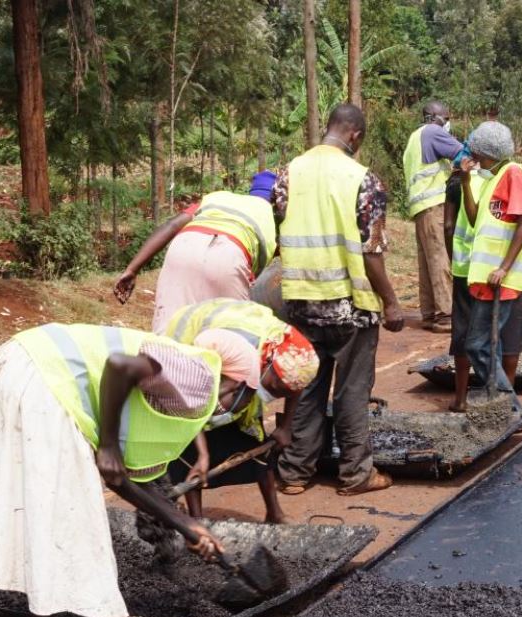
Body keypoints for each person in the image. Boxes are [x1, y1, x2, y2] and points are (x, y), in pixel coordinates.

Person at [0, 323, 241, 617]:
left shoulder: (151, 391)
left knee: (47, 510)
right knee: (75, 523)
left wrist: (186, 525)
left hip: (25, 367)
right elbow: (120, 365)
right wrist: (107, 444)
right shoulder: (196, 378)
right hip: (43, 378)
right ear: (233, 381)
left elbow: (118, 478)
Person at [273, 103, 405, 497]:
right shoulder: (363, 180)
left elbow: (278, 228)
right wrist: (392, 302)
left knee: (307, 387)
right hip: (350, 307)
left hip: (299, 301)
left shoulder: (289, 173)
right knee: (351, 390)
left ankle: (295, 472)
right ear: (355, 136)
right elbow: (371, 252)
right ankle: (355, 473)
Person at [160, 300, 320, 524]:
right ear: (267, 364)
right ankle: (196, 520)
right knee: (191, 450)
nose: (277, 395)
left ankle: (274, 513)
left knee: (254, 438)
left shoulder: (291, 355)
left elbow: (294, 385)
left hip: (238, 360)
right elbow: (192, 403)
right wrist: (204, 454)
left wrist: (285, 427)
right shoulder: (229, 349)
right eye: (274, 388)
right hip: (190, 346)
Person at [448, 121, 522, 414]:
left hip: (502, 279)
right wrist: (465, 181)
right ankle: (501, 405)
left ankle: (509, 405)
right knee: (489, 344)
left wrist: (504, 267)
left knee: (477, 345)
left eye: (477, 155)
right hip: (485, 281)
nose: (474, 160)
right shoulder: (492, 179)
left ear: (489, 153)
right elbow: (476, 219)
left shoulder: (513, 174)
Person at [114, 172, 279, 330]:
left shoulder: (218, 197)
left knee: (169, 329)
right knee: (233, 335)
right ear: (274, 199)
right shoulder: (269, 217)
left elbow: (170, 226)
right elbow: (254, 275)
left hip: (183, 246)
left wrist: (132, 269)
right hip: (230, 253)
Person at [402, 100, 467, 333]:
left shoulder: (414, 138)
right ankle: (446, 314)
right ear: (433, 117)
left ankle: (429, 314)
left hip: (420, 208)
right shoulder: (432, 132)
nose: (447, 122)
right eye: (445, 118)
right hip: (434, 205)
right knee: (440, 259)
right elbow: (464, 154)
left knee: (427, 261)